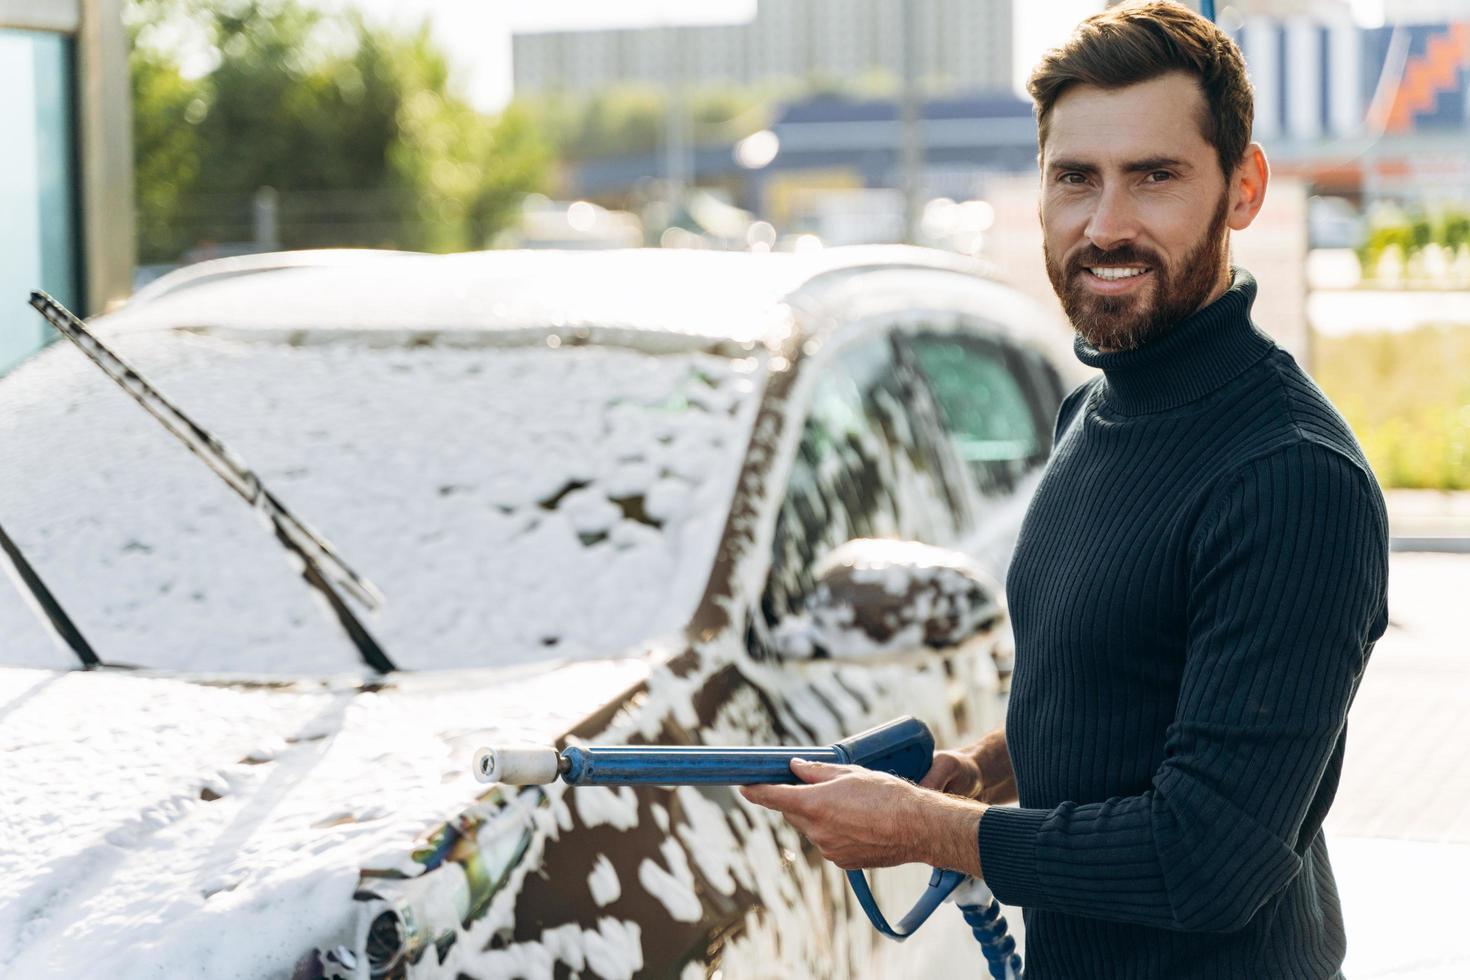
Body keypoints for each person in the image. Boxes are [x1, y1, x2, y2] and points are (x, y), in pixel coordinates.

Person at [739, 2, 1390, 977]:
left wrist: (932, 828)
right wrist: (989, 768)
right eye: (1075, 178)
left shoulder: (1290, 477)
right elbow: (1132, 681)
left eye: (1155, 177)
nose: (1107, 224)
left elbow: (1209, 857)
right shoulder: (1091, 411)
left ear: (1242, 189)